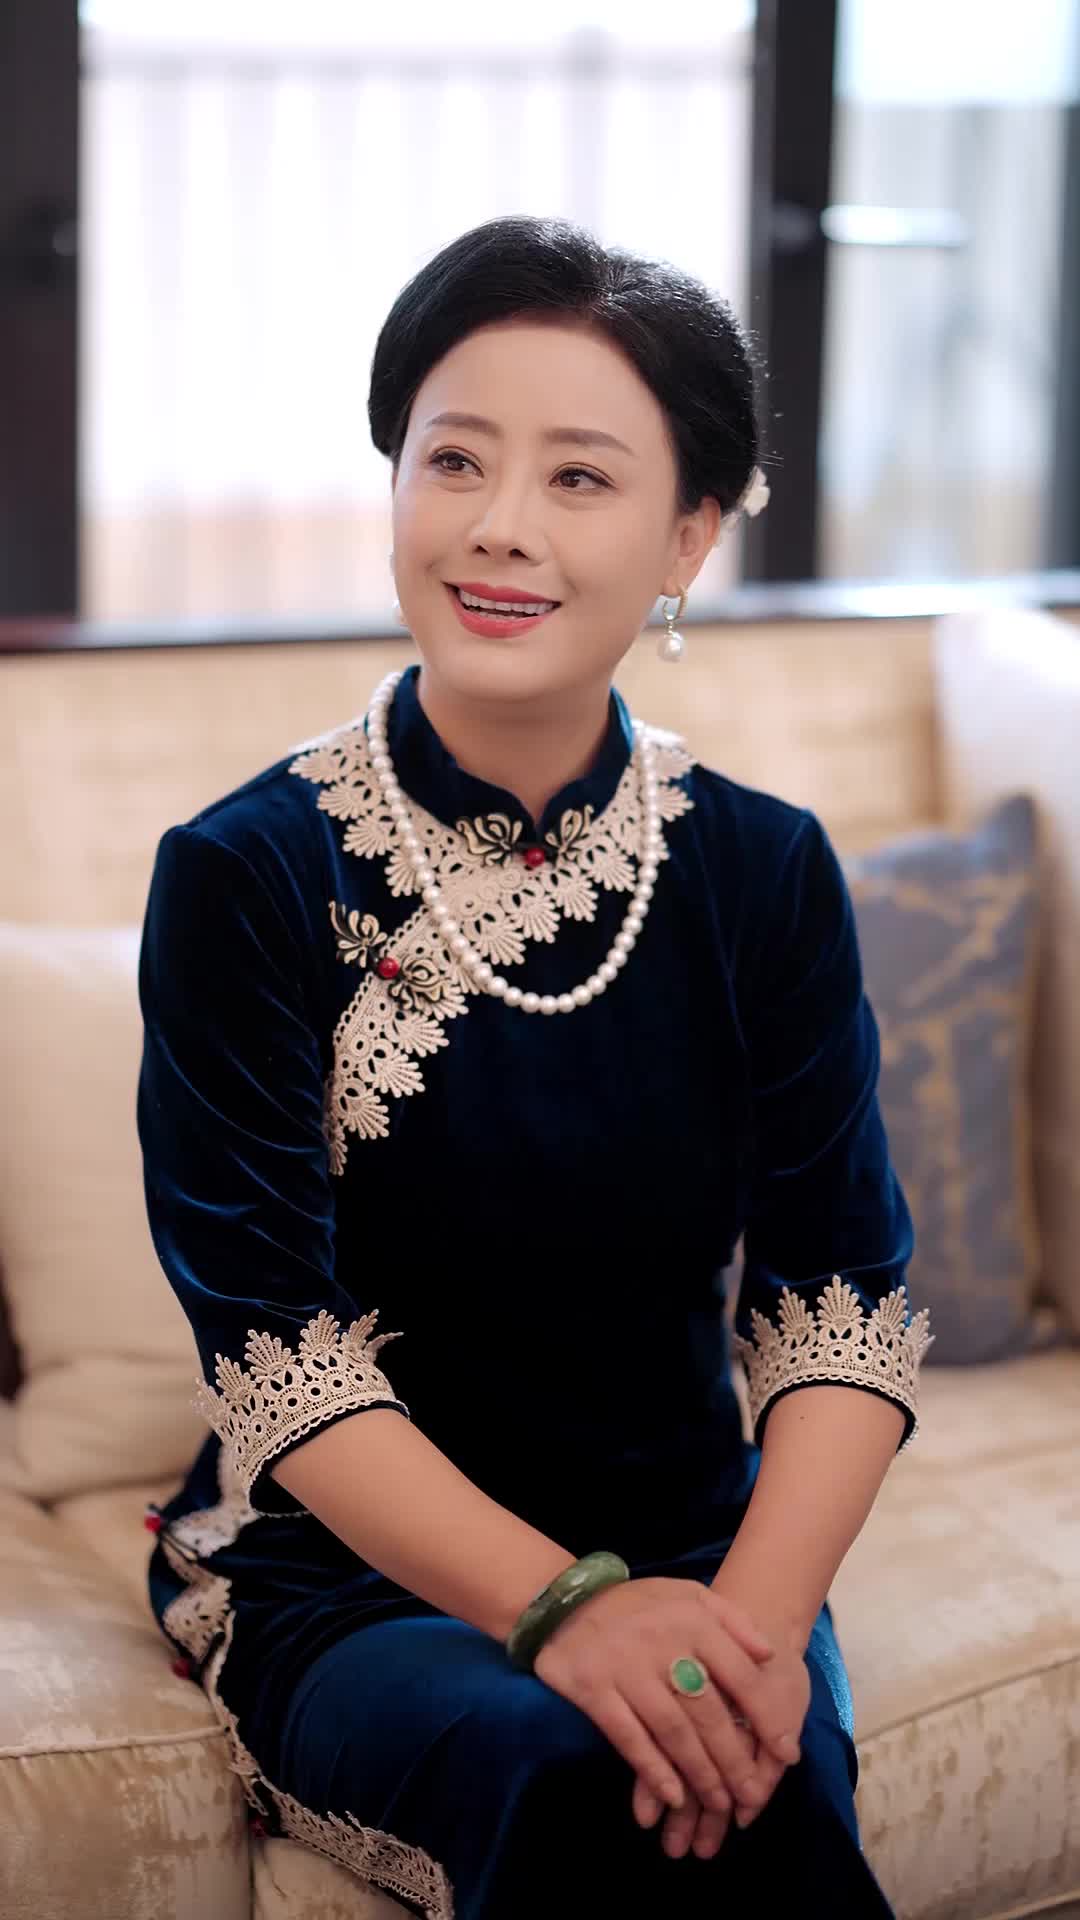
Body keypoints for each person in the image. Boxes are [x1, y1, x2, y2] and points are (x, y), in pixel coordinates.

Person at [138, 214, 932, 1920]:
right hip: (361, 1581)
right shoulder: (246, 875)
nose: (499, 525)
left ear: (689, 534)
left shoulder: (764, 869)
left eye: (580, 477)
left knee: (737, 1781)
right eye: (455, 461)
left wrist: (746, 1636)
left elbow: (842, 1304)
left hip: (705, 1553)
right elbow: (271, 1352)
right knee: (577, 1778)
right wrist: (570, 1613)